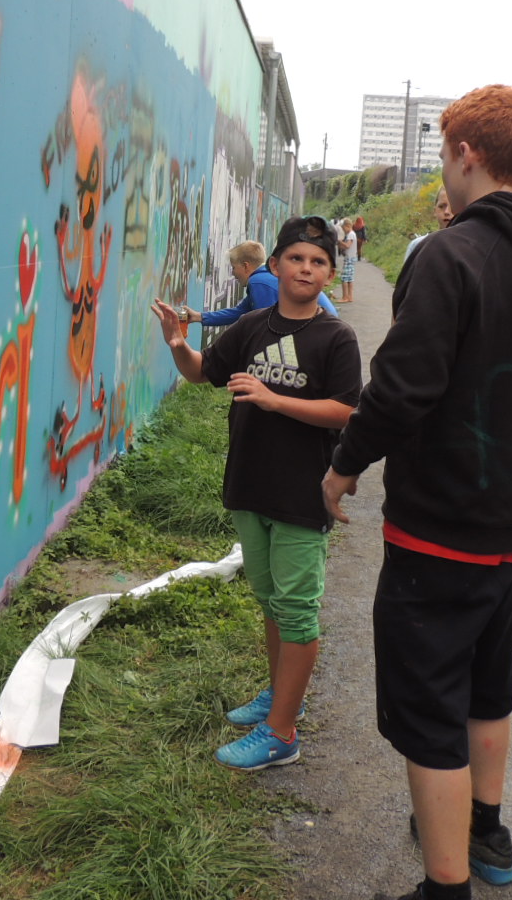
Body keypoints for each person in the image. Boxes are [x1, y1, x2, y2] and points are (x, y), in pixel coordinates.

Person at [320, 84, 512, 900]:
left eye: (445, 155)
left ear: (465, 154)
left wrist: (345, 464)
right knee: (487, 685)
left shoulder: (450, 256)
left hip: (437, 531)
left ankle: (444, 886)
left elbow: (401, 388)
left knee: (427, 711)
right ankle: (487, 831)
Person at [152, 215, 362, 771]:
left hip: (302, 494)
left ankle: (282, 732)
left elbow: (347, 410)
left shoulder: (336, 337)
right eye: (296, 258)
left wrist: (273, 400)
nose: (306, 268)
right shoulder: (251, 326)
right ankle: (279, 695)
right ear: (274, 266)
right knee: (270, 601)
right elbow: (202, 373)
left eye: (318, 262)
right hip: (250, 485)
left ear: (329, 274)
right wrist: (177, 344)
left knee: (296, 611)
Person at [178, 239, 337, 327]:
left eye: (233, 268)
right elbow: (239, 312)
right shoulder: (265, 278)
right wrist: (199, 317)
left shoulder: (258, 282)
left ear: (246, 266)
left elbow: (266, 327)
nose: (233, 273)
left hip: (322, 330)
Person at [403, 186, 454, 265]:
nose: (446, 212)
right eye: (441, 206)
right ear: (434, 211)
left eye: (453, 206)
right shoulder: (417, 246)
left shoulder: (470, 246)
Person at [338, 219, 358, 303]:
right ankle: (350, 297)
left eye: (343, 228)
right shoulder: (352, 234)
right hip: (351, 257)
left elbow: (347, 245)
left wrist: (340, 242)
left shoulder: (350, 235)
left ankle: (345, 297)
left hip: (349, 258)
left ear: (347, 226)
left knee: (344, 278)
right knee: (350, 278)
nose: (343, 230)